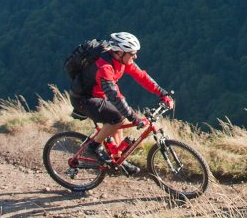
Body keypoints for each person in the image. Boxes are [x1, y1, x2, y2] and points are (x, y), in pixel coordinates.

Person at [70, 31, 173, 174]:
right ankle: (93, 147)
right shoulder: (104, 67)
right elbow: (114, 95)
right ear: (119, 52)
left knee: (118, 121)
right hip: (84, 99)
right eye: (132, 53)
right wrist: (132, 116)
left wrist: (163, 93)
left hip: (100, 96)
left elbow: (142, 76)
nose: (135, 56)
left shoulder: (122, 60)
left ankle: (118, 160)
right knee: (118, 117)